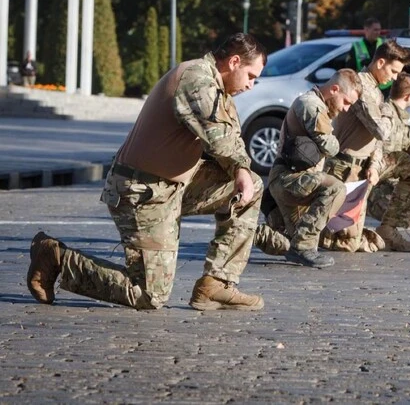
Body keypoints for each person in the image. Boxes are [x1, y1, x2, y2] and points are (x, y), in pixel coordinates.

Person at [27, 33, 281, 311]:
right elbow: (218, 135)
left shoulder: (219, 89)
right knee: (149, 296)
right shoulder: (196, 78)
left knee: (251, 185)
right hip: (141, 191)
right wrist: (240, 168)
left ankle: (216, 285)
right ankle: (56, 258)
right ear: (234, 62)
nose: (251, 85)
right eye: (251, 75)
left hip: (174, 187)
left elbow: (230, 138)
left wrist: (243, 178)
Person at [321, 39, 410, 252]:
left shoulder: (375, 89)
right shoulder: (362, 86)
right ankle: (309, 230)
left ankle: (387, 229)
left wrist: (374, 166)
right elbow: (381, 130)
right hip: (345, 169)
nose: (394, 78)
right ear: (380, 62)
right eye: (393, 71)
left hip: (362, 169)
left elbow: (377, 140)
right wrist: (388, 108)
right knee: (346, 243)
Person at [267, 69, 361, 268]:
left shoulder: (318, 105)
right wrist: (335, 139)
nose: (345, 109)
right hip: (289, 179)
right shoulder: (311, 105)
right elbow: (331, 146)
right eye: (346, 102)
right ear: (335, 89)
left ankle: (254, 231)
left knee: (285, 243)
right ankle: (301, 245)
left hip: (294, 181)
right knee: (336, 189)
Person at [366, 73, 410, 230]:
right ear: (408, 96)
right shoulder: (387, 112)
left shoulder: (401, 116)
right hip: (380, 179)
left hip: (393, 174)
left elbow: (407, 143)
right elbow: (377, 147)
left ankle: (405, 207)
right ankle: (377, 204)